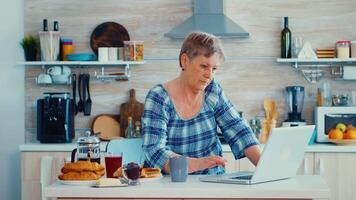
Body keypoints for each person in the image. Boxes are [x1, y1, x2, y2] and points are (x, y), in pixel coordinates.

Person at [142, 31, 261, 175]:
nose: (209, 75)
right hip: (173, 184)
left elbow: (239, 129)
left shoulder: (212, 90)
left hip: (212, 182)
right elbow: (154, 151)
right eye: (204, 66)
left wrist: (266, 167)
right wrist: (197, 164)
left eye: (214, 69)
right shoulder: (159, 97)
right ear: (185, 61)